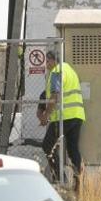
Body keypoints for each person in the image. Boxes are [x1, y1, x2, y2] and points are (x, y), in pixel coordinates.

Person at [39, 51, 86, 180]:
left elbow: (55, 96)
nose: (46, 64)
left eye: (47, 61)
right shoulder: (69, 69)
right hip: (77, 115)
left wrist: (46, 115)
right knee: (72, 148)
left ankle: (60, 177)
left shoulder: (56, 72)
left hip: (63, 117)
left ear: (53, 60)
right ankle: (79, 180)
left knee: (47, 145)